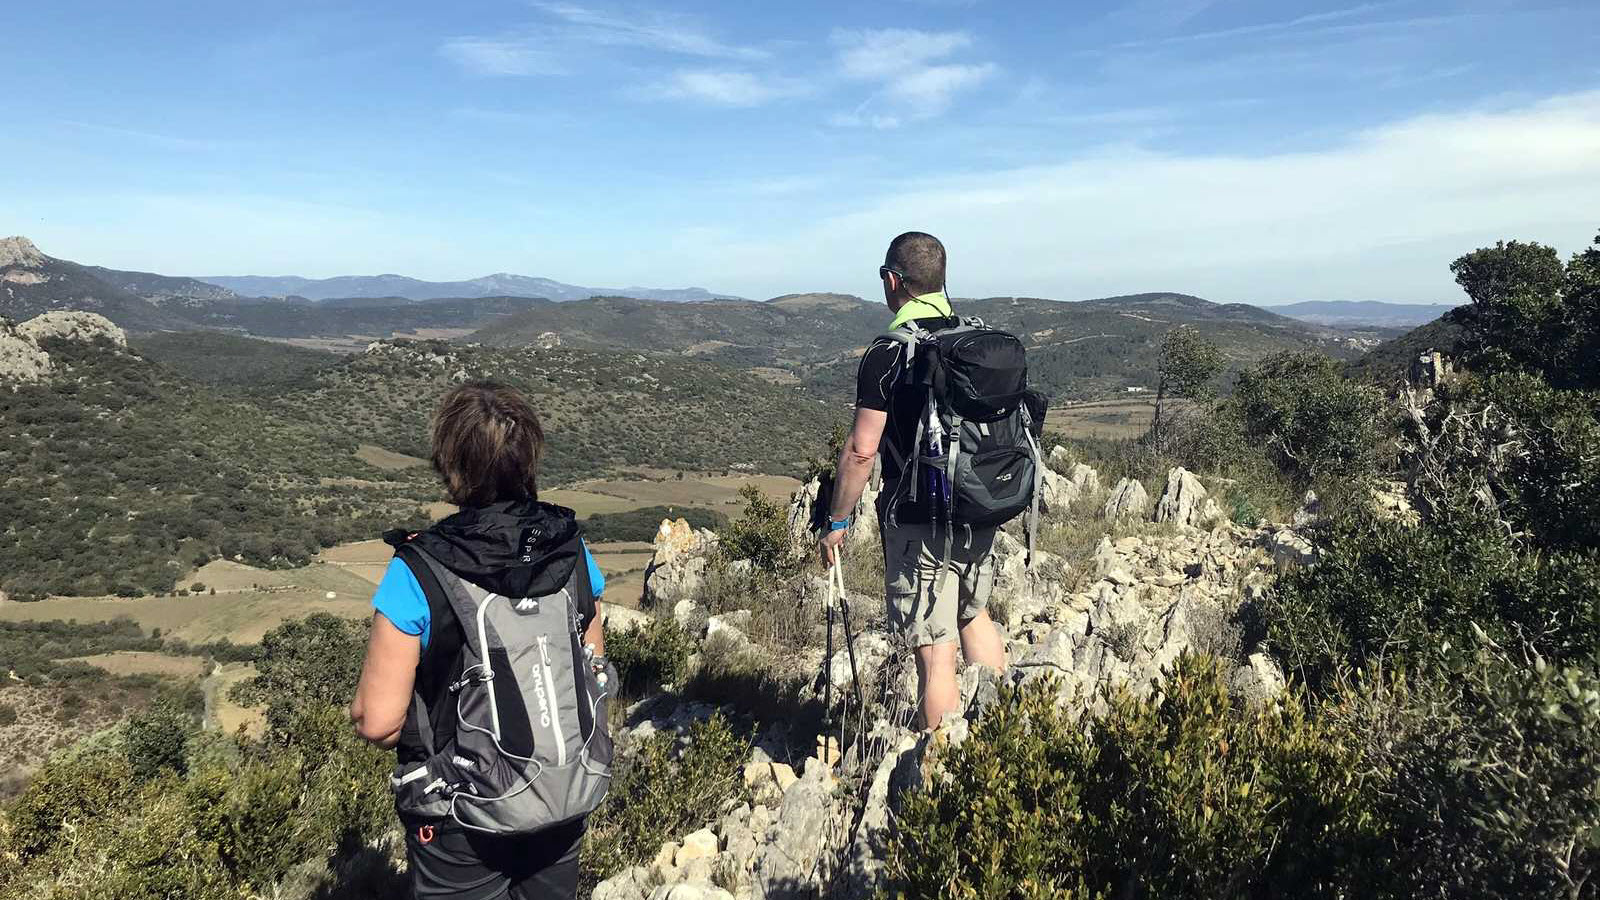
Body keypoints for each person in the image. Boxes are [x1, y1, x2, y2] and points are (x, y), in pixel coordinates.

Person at [350, 381, 608, 900]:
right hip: (561, 793)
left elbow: (377, 722)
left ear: (452, 466)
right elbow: (592, 666)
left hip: (460, 815)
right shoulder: (569, 552)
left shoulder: (419, 568)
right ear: (529, 459)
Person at [818, 231, 1009, 730]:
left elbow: (862, 451)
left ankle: (941, 778)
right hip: (977, 505)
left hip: (920, 517)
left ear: (893, 280)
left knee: (935, 651)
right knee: (974, 613)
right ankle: (1003, 740)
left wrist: (836, 521)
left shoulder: (890, 351)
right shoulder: (971, 336)